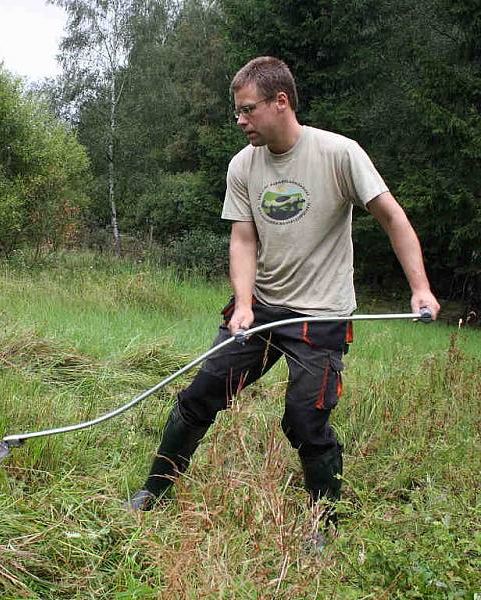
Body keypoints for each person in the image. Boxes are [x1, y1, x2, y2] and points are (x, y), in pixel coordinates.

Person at [127, 57, 441, 538]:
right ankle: (154, 489)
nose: (240, 120)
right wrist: (245, 303)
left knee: (305, 420)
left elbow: (393, 218)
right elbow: (243, 240)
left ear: (281, 101)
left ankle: (325, 524)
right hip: (263, 309)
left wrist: (420, 287)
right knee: (199, 396)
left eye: (248, 109)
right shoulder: (243, 165)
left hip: (322, 313)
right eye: (237, 111)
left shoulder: (340, 153)